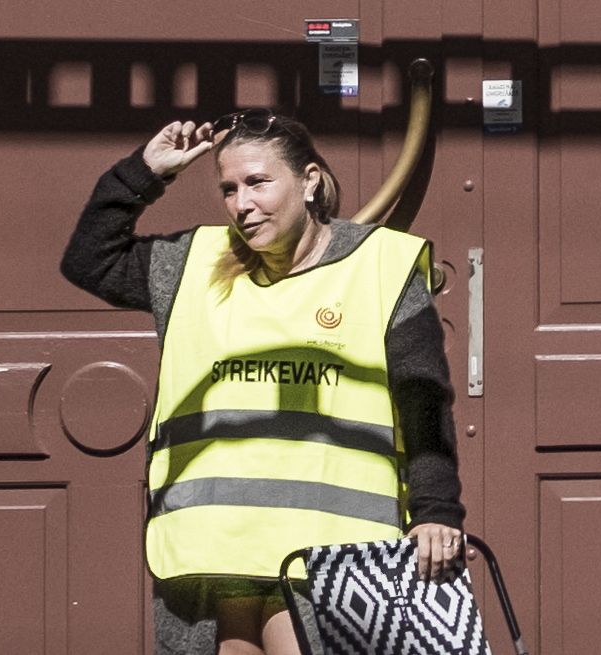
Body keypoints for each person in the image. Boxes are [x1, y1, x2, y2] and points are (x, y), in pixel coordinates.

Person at [61, 109, 466, 655]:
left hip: (330, 554)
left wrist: (436, 512)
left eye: (258, 182)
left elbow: (423, 402)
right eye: (228, 189)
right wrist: (146, 171)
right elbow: (90, 260)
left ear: (310, 181)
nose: (241, 205)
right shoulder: (194, 265)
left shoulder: (380, 267)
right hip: (215, 553)